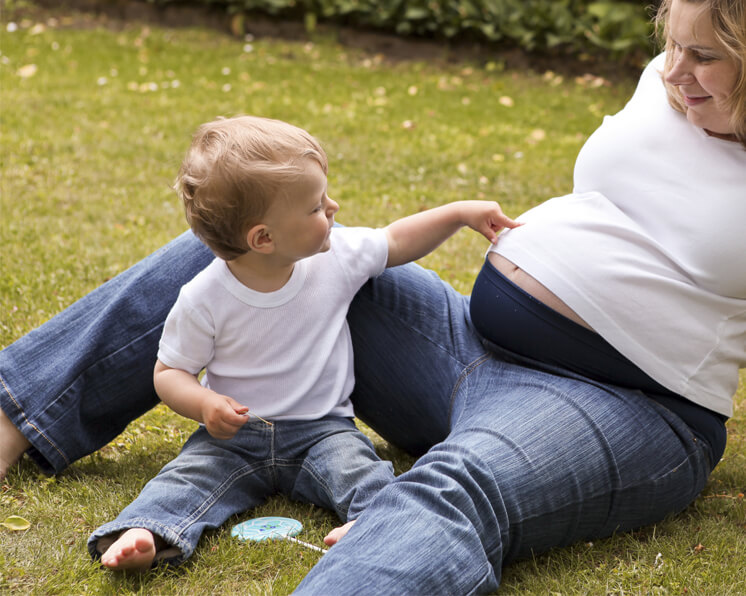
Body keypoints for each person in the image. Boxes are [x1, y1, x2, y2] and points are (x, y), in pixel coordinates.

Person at [0, 0, 744, 591]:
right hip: (466, 347)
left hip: (619, 402)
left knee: (454, 487)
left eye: (704, 56)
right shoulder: (670, 79)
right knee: (244, 250)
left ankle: (394, 535)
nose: (674, 71)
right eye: (670, 44)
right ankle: (14, 416)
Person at [84, 115, 517, 571]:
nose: (332, 208)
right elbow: (169, 372)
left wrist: (459, 213)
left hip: (323, 430)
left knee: (362, 472)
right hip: (234, 439)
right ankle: (145, 532)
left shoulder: (337, 258)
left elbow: (395, 239)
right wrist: (203, 405)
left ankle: (374, 521)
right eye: (315, 207)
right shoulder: (203, 298)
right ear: (263, 238)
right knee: (185, 479)